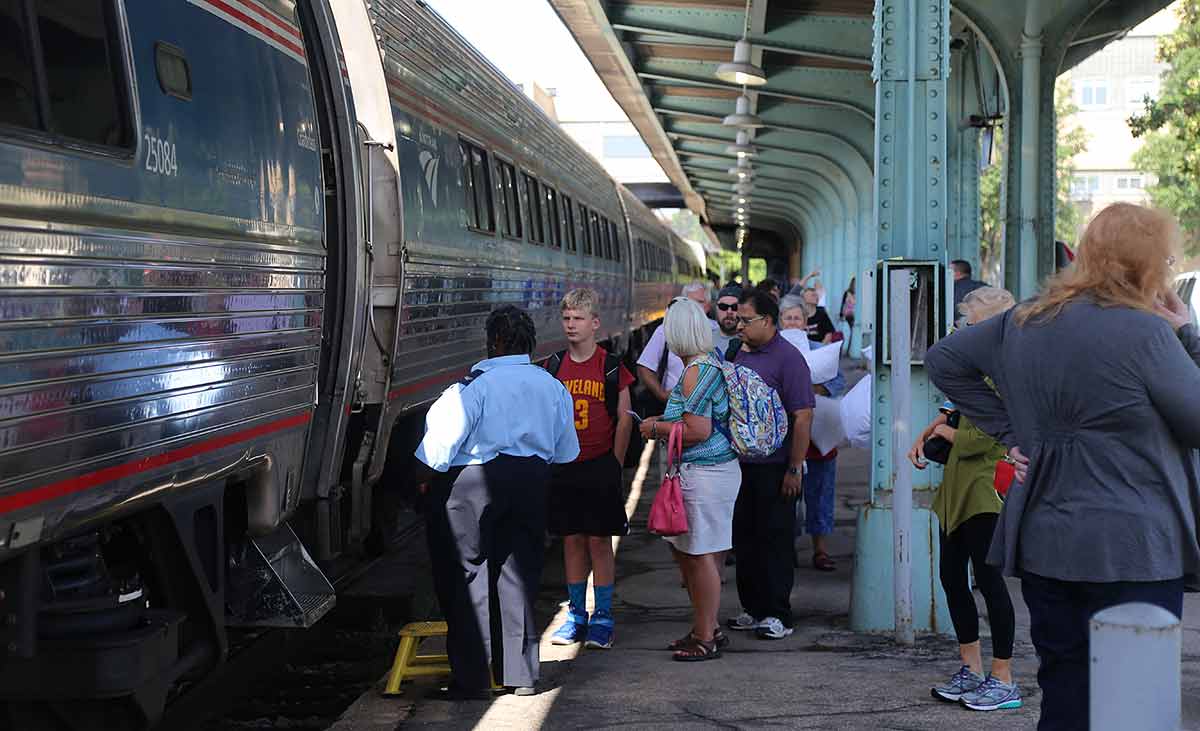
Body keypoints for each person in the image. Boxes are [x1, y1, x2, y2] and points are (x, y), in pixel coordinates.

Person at [926, 203, 1200, 729]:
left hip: (1047, 538)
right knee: (1134, 704)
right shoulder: (1146, 333)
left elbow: (944, 359)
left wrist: (1012, 433)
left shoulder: (1025, 320)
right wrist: (1187, 334)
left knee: (1065, 689)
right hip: (1135, 545)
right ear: (1147, 265)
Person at [415, 305, 580, 698]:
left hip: (472, 485)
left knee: (466, 575)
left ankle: (472, 680)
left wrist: (420, 483)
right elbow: (566, 452)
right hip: (531, 483)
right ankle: (520, 674)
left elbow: (436, 453)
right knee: (519, 574)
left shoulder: (472, 387)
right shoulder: (551, 386)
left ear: (494, 342)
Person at [908, 286, 1020, 711]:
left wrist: (940, 432)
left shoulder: (1007, 370)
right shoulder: (976, 365)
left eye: (969, 325)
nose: (962, 333)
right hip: (958, 488)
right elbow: (955, 408)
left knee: (989, 584)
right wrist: (931, 429)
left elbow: (980, 436)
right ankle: (970, 668)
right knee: (953, 578)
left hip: (984, 490)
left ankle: (1003, 677)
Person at [638, 297, 741, 661]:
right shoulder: (708, 363)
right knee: (694, 554)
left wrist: (654, 427)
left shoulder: (697, 370)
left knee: (701, 556)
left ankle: (707, 638)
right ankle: (705, 627)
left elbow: (697, 429)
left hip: (707, 474)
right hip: (710, 473)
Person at [543, 289, 635, 651]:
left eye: (578, 318)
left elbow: (624, 419)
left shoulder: (610, 367)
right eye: (566, 318)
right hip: (565, 466)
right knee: (572, 539)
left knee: (600, 540)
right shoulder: (553, 367)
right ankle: (577, 614)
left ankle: (604, 616)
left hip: (600, 464)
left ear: (595, 323)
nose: (571, 325)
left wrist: (615, 462)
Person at [724, 288, 815, 640]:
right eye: (737, 319)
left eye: (746, 320)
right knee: (744, 538)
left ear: (769, 321)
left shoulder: (788, 359)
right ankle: (752, 607)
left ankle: (778, 613)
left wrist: (794, 468)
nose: (739, 326)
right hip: (739, 464)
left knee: (774, 539)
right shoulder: (735, 353)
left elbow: (803, 416)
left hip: (776, 467)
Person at [778, 294, 839, 571]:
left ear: (805, 322)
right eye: (787, 318)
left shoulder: (819, 349)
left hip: (819, 432)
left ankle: (821, 549)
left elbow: (839, 381)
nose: (792, 322)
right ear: (779, 322)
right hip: (783, 437)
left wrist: (811, 389)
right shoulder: (772, 350)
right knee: (785, 494)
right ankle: (786, 548)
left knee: (820, 491)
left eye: (797, 318)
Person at [637, 282, 714, 409]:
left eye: (699, 303)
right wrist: (661, 395)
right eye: (688, 303)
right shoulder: (665, 330)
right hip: (671, 407)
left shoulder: (715, 331)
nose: (693, 309)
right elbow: (644, 366)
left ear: (708, 306)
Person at [712, 283, 742, 356]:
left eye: (735, 307)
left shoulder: (750, 342)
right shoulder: (704, 340)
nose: (729, 312)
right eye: (723, 306)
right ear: (716, 308)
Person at [839, 278, 856, 353]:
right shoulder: (848, 293)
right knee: (852, 332)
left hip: (852, 314)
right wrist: (841, 314)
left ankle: (850, 349)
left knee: (852, 332)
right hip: (850, 315)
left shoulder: (851, 292)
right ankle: (850, 349)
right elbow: (843, 303)